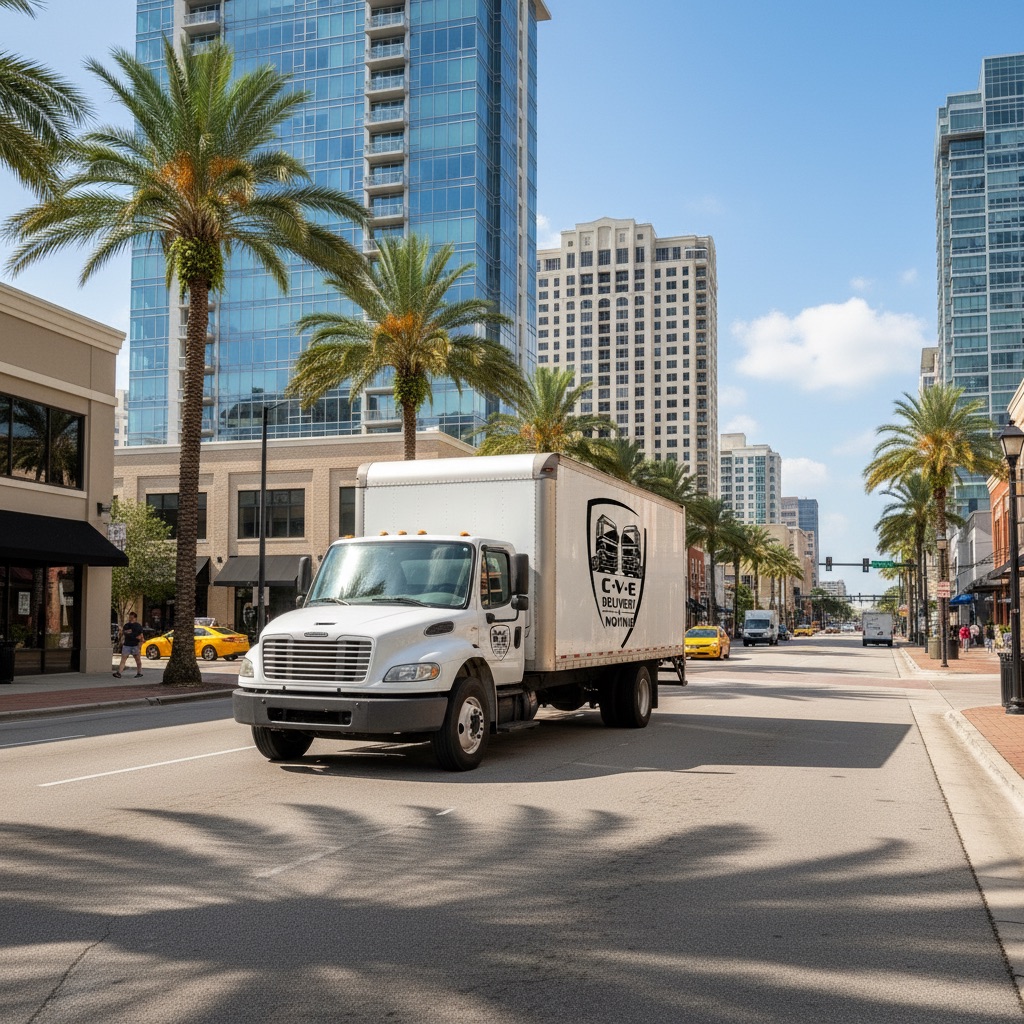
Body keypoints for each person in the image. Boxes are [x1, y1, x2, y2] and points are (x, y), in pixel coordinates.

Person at [114, 611, 145, 678]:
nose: (130, 619)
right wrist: (134, 636)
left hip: (135, 645)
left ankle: (139, 672)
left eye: (132, 617)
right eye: (130, 617)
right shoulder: (126, 625)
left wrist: (140, 644)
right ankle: (119, 672)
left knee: (138, 659)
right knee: (123, 659)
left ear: (135, 618)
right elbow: (125, 633)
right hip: (127, 645)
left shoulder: (138, 626)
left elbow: (141, 636)